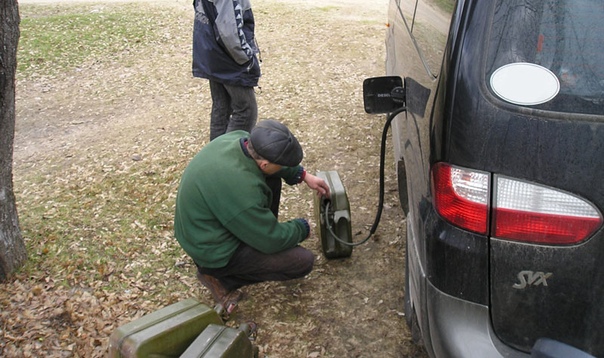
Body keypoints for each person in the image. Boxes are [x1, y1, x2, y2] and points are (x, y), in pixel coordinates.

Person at [174, 120, 330, 313]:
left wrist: (303, 175)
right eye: (281, 165)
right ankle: (217, 276)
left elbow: (274, 162)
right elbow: (272, 240)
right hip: (211, 249)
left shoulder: (241, 139)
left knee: (273, 177)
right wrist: (302, 228)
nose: (283, 167)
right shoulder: (242, 189)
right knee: (302, 261)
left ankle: (255, 230)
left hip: (204, 228)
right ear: (264, 164)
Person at [192, 0, 261, 140]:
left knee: (221, 107)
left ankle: (215, 157)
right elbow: (229, 33)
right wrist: (246, 57)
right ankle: (230, 157)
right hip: (228, 58)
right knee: (246, 110)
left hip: (212, 50)